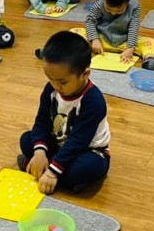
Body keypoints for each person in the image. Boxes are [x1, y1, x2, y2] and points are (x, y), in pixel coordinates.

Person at [18, 31, 110, 194]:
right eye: (49, 78)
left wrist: (52, 172)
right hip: (59, 144)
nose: (55, 86)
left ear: (85, 74)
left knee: (89, 167)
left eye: (62, 82)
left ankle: (36, 169)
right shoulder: (51, 89)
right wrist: (40, 152)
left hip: (87, 150)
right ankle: (64, 179)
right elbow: (42, 122)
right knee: (26, 139)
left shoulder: (93, 100)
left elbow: (79, 141)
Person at [72, 0, 154, 70]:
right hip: (101, 39)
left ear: (128, 1)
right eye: (108, 9)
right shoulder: (99, 3)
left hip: (124, 42)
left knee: (151, 42)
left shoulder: (134, 7)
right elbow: (90, 20)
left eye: (119, 11)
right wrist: (94, 39)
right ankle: (73, 54)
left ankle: (150, 60)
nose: (113, 13)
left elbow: (134, 28)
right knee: (75, 32)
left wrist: (130, 48)